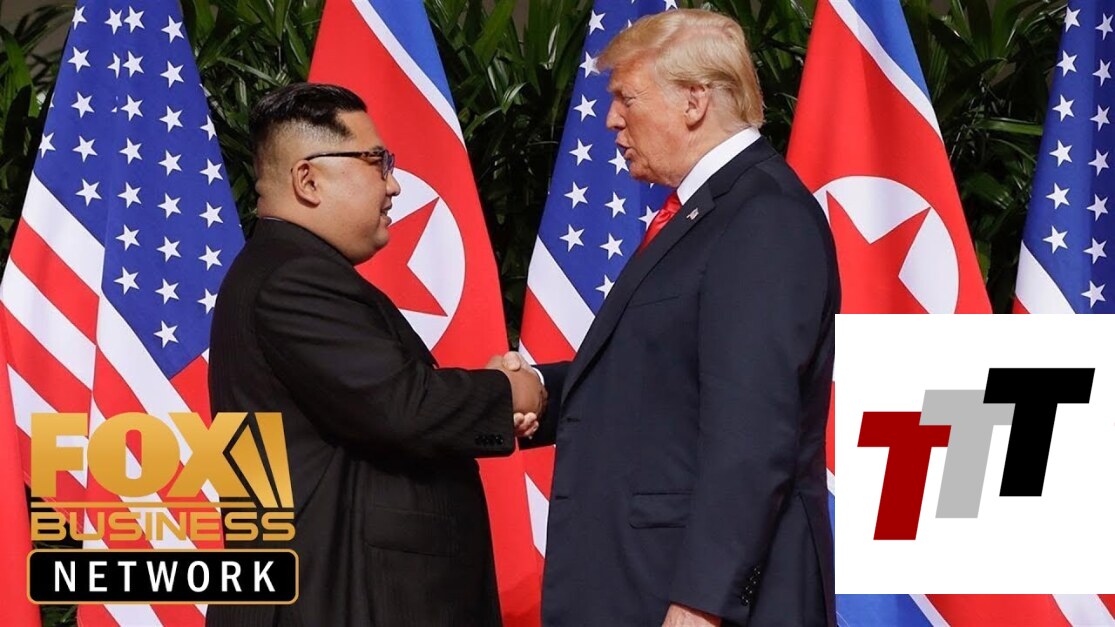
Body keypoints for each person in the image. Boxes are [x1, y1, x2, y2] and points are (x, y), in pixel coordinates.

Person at [500, 9, 839, 627]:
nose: (611, 119)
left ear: (694, 100)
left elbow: (752, 430)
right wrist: (541, 389)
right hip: (643, 581)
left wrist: (703, 601)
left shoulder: (762, 216)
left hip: (695, 598)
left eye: (627, 98)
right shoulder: (706, 211)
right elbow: (662, 373)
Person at [206, 83, 543, 627]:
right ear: (308, 179)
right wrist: (511, 392)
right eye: (376, 161)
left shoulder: (285, 268)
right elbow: (404, 408)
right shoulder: (294, 278)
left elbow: (388, 403)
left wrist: (520, 396)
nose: (393, 184)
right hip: (330, 603)